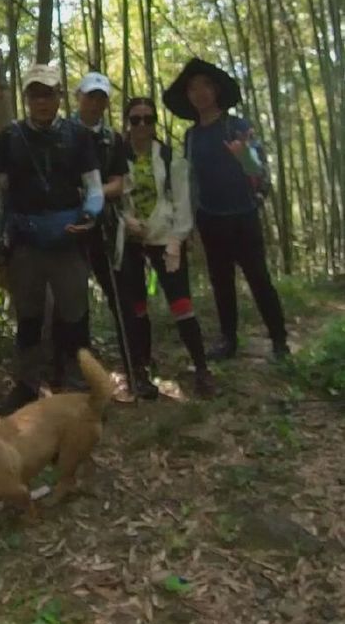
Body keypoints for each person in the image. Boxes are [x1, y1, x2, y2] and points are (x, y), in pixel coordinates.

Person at [0, 62, 104, 416]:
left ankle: (77, 383)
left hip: (69, 236)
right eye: (35, 94)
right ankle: (26, 385)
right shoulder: (10, 137)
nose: (41, 101)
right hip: (25, 240)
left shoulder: (78, 135)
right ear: (26, 98)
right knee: (28, 315)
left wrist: (90, 214)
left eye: (48, 94)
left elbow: (94, 186)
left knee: (75, 313)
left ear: (59, 96)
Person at [163, 57, 289, 362]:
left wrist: (243, 155)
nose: (200, 93)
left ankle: (279, 341)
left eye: (206, 86)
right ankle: (228, 340)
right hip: (209, 217)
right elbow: (191, 182)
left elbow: (258, 171)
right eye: (193, 88)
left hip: (243, 215)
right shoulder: (191, 137)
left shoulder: (237, 126)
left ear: (216, 90)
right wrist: (189, 223)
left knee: (259, 279)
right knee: (221, 282)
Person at [119, 96, 214, 398]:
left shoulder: (171, 158)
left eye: (148, 119)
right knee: (136, 308)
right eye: (135, 119)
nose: (142, 125)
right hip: (131, 241)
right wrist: (125, 221)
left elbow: (182, 202)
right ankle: (140, 371)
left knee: (181, 304)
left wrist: (177, 239)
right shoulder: (117, 157)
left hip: (166, 240)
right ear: (127, 122)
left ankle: (202, 369)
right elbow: (111, 197)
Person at [72, 71, 144, 395]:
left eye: (101, 98)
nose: (95, 103)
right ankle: (77, 375)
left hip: (107, 226)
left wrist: (93, 194)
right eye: (90, 96)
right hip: (71, 225)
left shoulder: (113, 139)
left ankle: (136, 370)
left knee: (122, 298)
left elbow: (120, 181)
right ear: (78, 97)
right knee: (74, 303)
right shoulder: (63, 133)